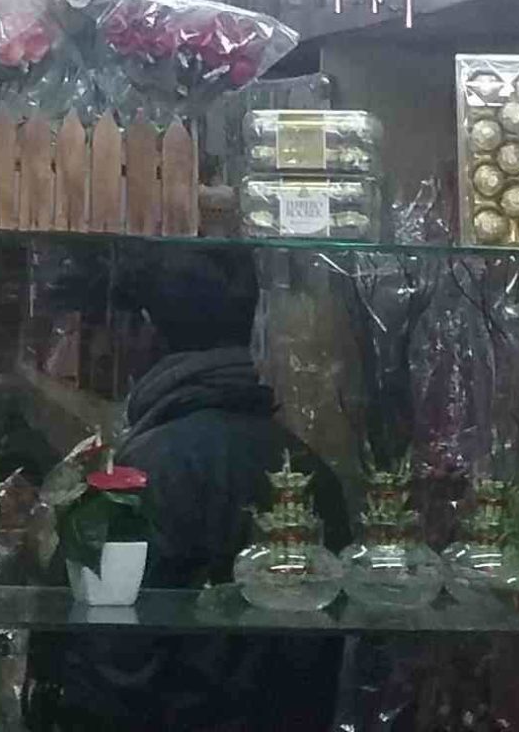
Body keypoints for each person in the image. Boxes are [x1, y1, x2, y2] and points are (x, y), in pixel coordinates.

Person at [30, 245, 351, 732]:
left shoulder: (140, 473)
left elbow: (106, 661)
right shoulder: (310, 469)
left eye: (117, 326)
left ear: (143, 329)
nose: (108, 347)